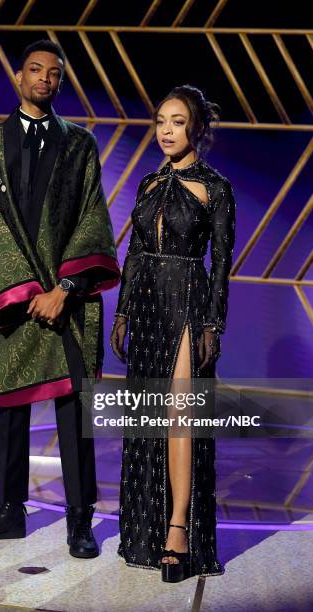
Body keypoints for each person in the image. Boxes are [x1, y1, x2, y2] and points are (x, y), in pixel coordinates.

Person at [0, 39, 120, 558]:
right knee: (12, 406)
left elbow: (94, 219)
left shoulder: (80, 145)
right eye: (36, 70)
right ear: (19, 78)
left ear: (60, 84)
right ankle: (7, 512)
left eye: (54, 73)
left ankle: (79, 520)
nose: (44, 79)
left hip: (67, 298)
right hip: (13, 297)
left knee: (73, 410)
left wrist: (65, 288)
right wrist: (23, 290)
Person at [111, 85, 236, 582]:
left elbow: (222, 264)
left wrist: (213, 323)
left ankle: (179, 528)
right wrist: (121, 312)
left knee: (179, 415)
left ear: (197, 129)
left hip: (186, 300)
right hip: (144, 308)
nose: (166, 130)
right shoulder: (146, 183)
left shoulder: (215, 186)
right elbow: (135, 253)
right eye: (161, 120)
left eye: (177, 121)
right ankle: (145, 529)